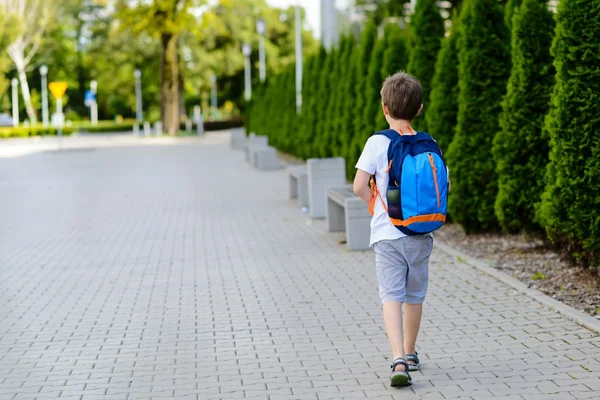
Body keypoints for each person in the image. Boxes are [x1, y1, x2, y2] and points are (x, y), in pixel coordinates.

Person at [353, 72, 448, 387]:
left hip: (386, 234)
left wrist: (374, 205)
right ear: (419, 108)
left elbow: (358, 186)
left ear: (384, 108)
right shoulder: (429, 142)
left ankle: (397, 361)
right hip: (421, 233)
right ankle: (410, 352)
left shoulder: (377, 142)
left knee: (391, 296)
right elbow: (444, 183)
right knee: (415, 296)